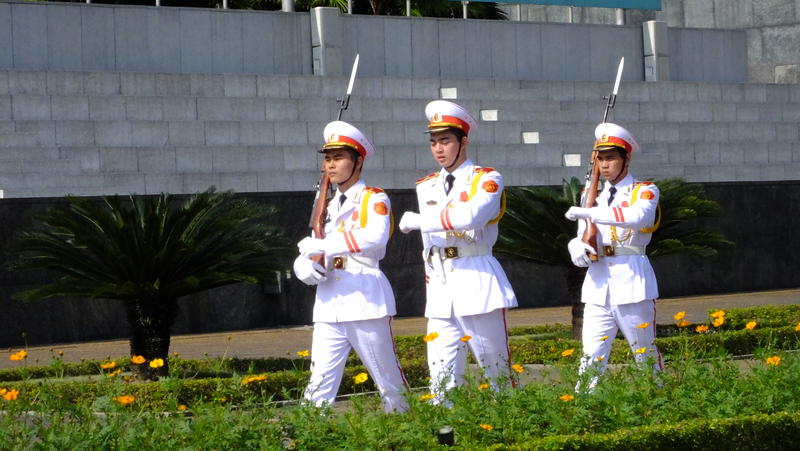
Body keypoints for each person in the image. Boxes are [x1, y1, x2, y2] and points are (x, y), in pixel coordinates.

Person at [398, 100, 518, 403]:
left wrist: (421, 221)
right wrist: (430, 279)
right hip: (441, 289)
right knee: (441, 377)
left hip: (476, 280)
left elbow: (471, 217)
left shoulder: (487, 179)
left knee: (497, 373)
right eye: (434, 142)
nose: (439, 148)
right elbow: (430, 245)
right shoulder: (426, 185)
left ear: (463, 141)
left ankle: (510, 429)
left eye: (446, 140)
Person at [292, 120, 408, 412]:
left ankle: (407, 428)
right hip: (329, 303)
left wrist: (322, 246)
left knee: (388, 381)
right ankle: (307, 435)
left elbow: (374, 236)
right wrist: (301, 266)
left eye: (338, 158)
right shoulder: (327, 207)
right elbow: (312, 243)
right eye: (328, 159)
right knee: (319, 382)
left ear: (358, 161)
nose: (331, 165)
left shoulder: (373, 198)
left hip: (364, 299)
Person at [564, 122, 664, 392]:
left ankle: (660, 402)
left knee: (645, 354)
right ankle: (583, 406)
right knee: (590, 357)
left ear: (626, 159)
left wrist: (590, 212)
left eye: (611, 158)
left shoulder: (644, 191)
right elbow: (581, 234)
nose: (605, 165)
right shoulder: (590, 195)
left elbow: (636, 217)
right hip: (598, 285)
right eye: (600, 158)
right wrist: (576, 249)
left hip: (632, 282)